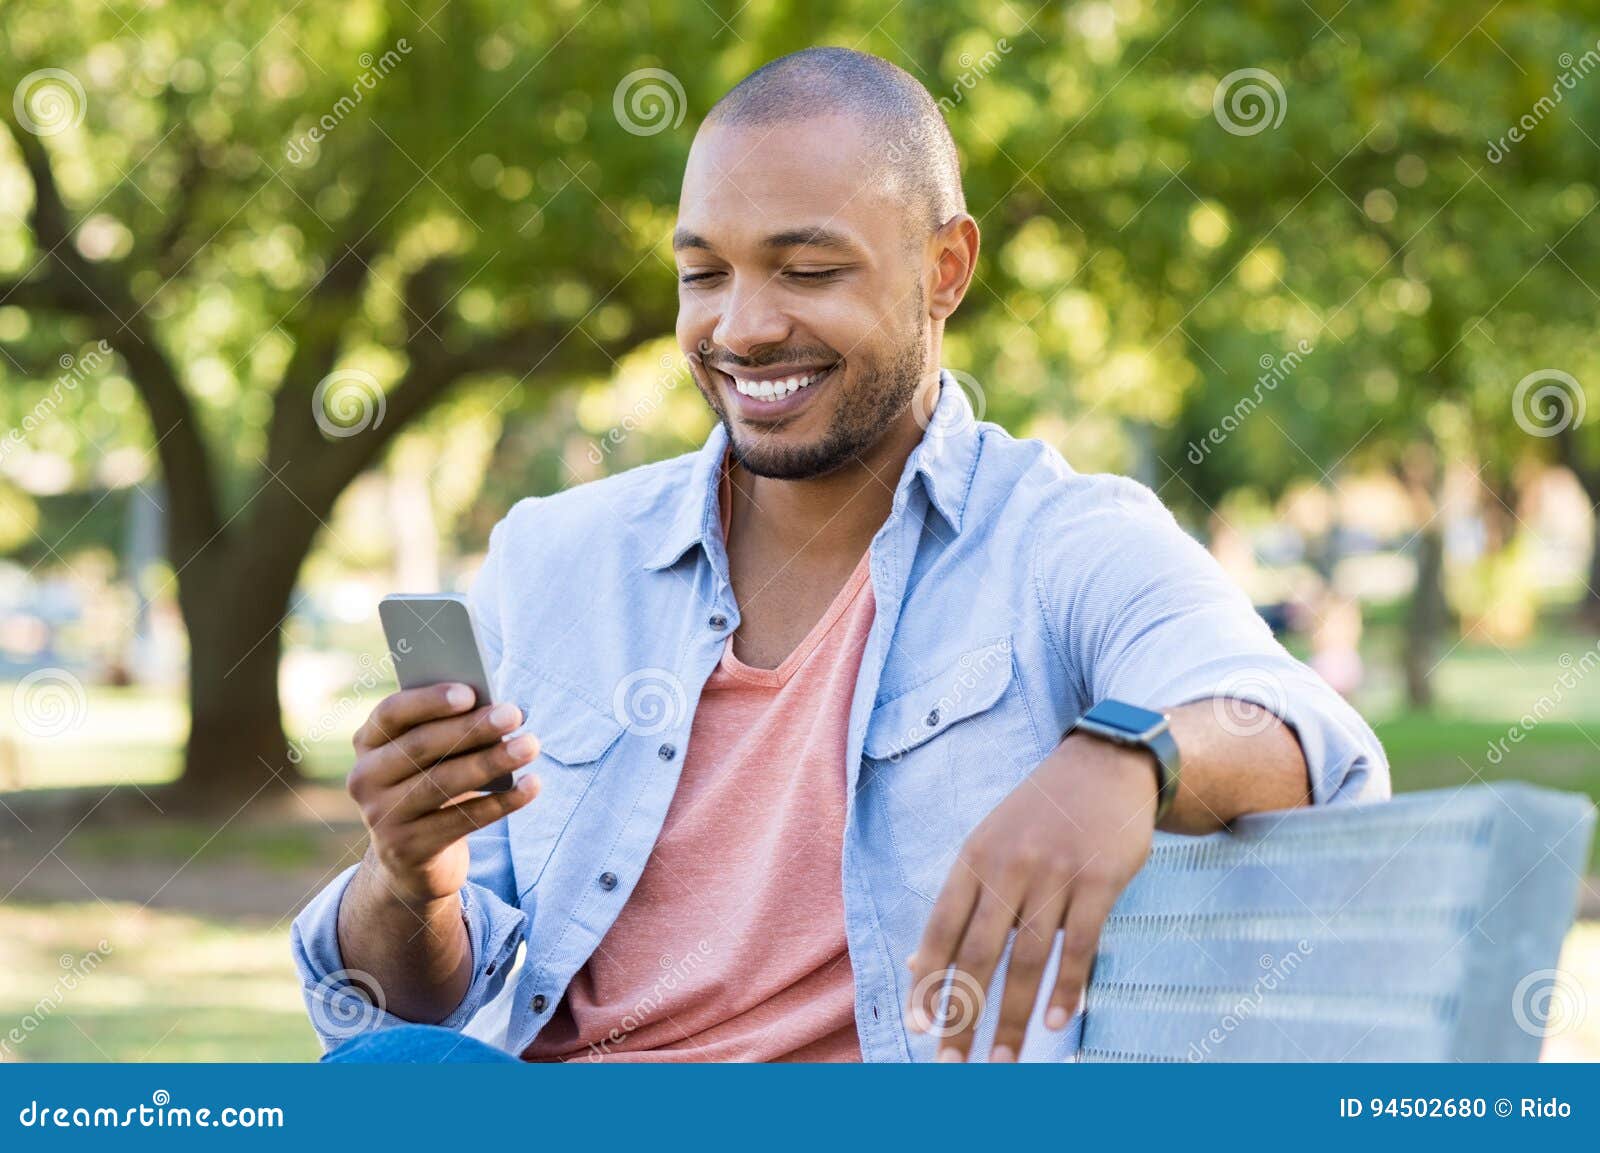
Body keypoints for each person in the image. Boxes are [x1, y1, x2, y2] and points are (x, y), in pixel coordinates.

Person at [294, 46, 1389, 1064]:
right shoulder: (554, 559)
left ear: (944, 267)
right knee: (384, 1078)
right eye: (702, 274)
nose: (743, 327)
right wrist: (411, 878)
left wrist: (1127, 756)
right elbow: (406, 1002)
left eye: (807, 270)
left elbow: (1299, 736)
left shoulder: (1061, 541)